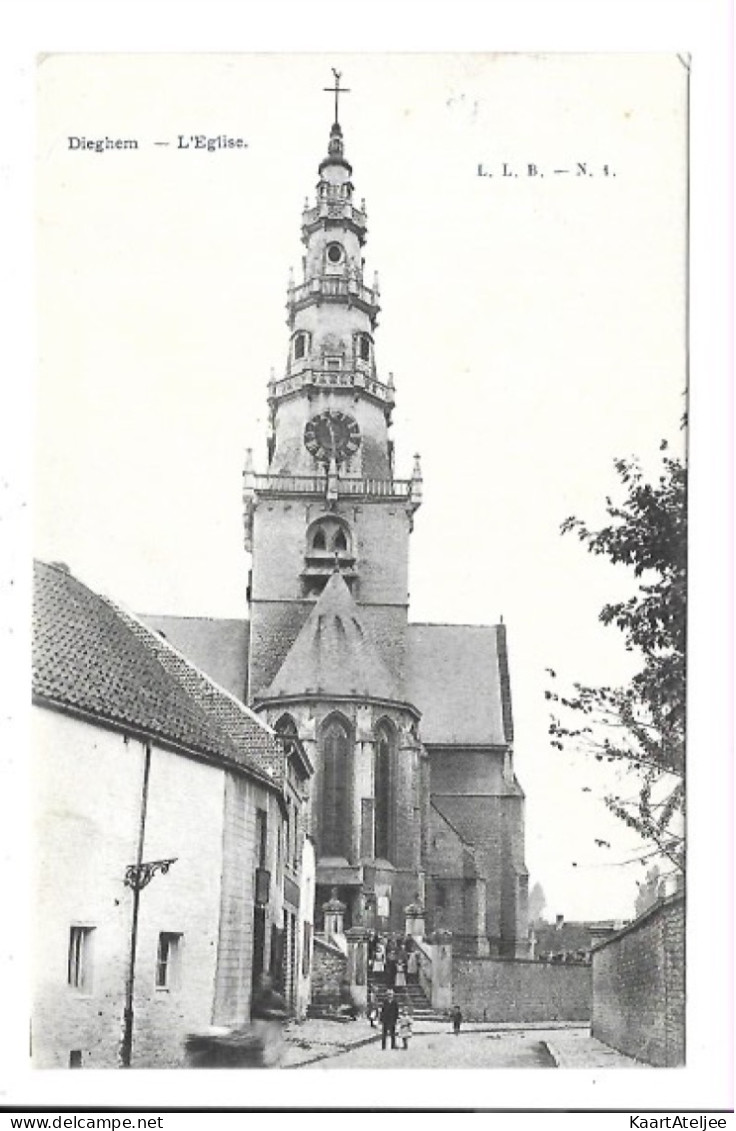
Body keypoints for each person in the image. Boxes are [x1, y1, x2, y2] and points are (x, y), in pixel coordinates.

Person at [250, 974, 288, 1066]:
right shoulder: (255, 997)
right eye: (263, 981)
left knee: (272, 1056)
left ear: (271, 983)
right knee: (258, 1054)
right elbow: (253, 1012)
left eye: (267, 982)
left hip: (273, 1030)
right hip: (259, 1028)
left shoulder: (277, 998)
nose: (265, 984)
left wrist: (276, 1013)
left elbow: (286, 1013)